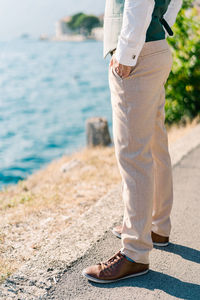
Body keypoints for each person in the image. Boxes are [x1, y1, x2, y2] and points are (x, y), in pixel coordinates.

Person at [82, 0, 182, 283]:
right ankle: (157, 226)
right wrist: (162, 23)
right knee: (154, 144)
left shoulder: (131, 54)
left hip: (137, 56)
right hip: (154, 48)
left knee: (133, 155)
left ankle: (135, 252)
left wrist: (126, 53)